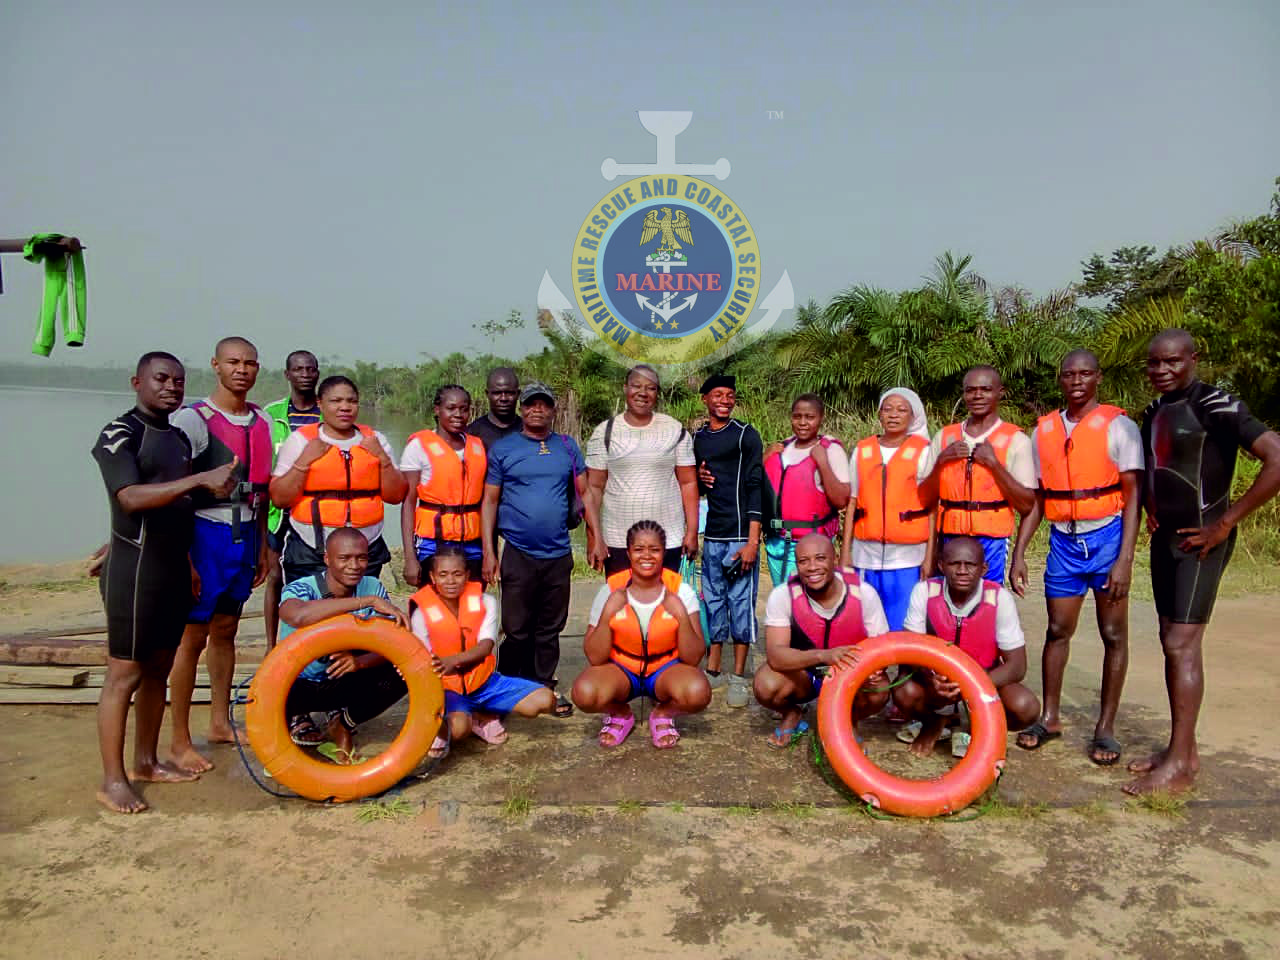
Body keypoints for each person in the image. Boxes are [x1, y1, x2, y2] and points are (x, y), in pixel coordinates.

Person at [1126, 329, 1280, 795]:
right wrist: (1151, 507)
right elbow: (1155, 467)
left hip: (1203, 542)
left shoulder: (1217, 405)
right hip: (1166, 541)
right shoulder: (1154, 411)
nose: (1161, 370)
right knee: (1169, 640)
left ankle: (1180, 766)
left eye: (1171, 361)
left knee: (1181, 644)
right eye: (1154, 363)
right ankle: (1182, 751)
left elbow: (1276, 458)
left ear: (1193, 358)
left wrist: (1225, 523)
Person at [90, 352, 238, 813]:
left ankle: (146, 762)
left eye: (178, 380)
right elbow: (130, 498)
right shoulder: (120, 434)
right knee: (124, 674)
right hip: (135, 571)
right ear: (137, 382)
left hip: (174, 568)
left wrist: (190, 563)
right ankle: (113, 779)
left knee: (158, 669)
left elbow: (178, 508)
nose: (171, 387)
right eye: (161, 379)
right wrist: (199, 480)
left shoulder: (177, 438)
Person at [1009, 349, 1143, 765]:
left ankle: (1105, 728)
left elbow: (1133, 496)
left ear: (1098, 377)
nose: (1077, 381)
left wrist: (1124, 559)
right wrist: (1019, 553)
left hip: (1107, 538)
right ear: (1060, 379)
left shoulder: (1119, 427)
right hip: (1064, 544)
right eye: (1069, 374)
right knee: (1057, 630)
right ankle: (1049, 718)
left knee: (1113, 634)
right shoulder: (1043, 431)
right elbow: (1036, 499)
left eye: (1085, 374)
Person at [166, 336, 272, 773]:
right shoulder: (193, 420)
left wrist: (263, 547)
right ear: (216, 365)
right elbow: (173, 490)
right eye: (233, 362)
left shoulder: (262, 421)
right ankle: (179, 740)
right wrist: (185, 556)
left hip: (244, 534)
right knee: (191, 637)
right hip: (203, 533)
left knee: (226, 629)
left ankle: (219, 723)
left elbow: (262, 494)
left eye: (249, 363)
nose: (241, 370)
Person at [480, 381, 592, 718]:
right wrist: (489, 552)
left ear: (553, 410)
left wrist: (596, 537)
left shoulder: (567, 447)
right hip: (518, 551)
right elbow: (490, 501)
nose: (537, 410)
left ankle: (544, 685)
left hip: (558, 552)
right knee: (516, 628)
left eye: (544, 404)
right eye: (531, 404)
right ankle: (507, 688)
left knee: (549, 628)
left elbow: (586, 494)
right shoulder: (504, 449)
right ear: (522, 408)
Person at [894, 537, 1039, 757]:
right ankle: (934, 722)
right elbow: (909, 649)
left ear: (984, 569)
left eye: (970, 565)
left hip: (983, 677)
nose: (962, 571)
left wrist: (971, 684)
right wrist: (930, 677)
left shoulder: (999, 598)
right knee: (903, 690)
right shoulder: (924, 591)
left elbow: (1017, 666)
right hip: (937, 679)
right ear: (941, 565)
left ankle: (975, 727)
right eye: (954, 564)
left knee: (1025, 706)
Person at [409, 546, 557, 759]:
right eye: (443, 574)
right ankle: (443, 726)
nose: (450, 581)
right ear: (432, 577)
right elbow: (422, 659)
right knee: (459, 730)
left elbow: (486, 645)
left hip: (484, 683)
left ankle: (481, 714)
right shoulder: (421, 613)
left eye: (457, 574)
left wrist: (452, 661)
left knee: (545, 700)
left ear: (467, 575)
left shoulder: (486, 602)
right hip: (447, 689)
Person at [572, 520, 710, 748]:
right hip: (622, 669)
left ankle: (663, 714)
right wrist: (606, 615)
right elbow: (595, 658)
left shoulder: (681, 591)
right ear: (628, 553)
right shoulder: (610, 590)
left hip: (664, 669)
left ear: (664, 553)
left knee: (698, 692)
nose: (646, 556)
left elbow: (693, 658)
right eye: (638, 549)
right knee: (584, 693)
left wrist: (682, 616)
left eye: (654, 549)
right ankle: (620, 713)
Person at [278, 528, 410, 761]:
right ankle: (295, 721)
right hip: (297, 687)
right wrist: (364, 602)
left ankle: (343, 723)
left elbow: (394, 642)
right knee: (274, 692)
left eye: (361, 558)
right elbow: (297, 615)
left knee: (404, 669)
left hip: (341, 680)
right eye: (344, 558)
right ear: (327, 559)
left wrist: (359, 663)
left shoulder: (372, 586)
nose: (354, 566)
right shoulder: (302, 587)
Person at [753, 533, 891, 748]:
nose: (812, 567)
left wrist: (873, 670)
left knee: (880, 689)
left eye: (820, 558)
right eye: (803, 561)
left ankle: (849, 721)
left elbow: (882, 650)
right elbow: (776, 656)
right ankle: (792, 714)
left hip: (849, 674)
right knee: (765, 684)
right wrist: (824, 655)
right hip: (804, 675)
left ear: (835, 559)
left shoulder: (864, 594)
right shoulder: (782, 595)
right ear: (797, 565)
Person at [269, 375, 407, 583]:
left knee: (362, 604)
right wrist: (303, 461)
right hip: (311, 549)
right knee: (309, 603)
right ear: (320, 404)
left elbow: (395, 496)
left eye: (351, 401)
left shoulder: (376, 440)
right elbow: (279, 498)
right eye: (336, 401)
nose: (345, 407)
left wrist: (382, 458)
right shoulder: (300, 441)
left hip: (365, 550)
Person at [918, 366, 1035, 584]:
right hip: (949, 539)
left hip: (991, 541)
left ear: (1000, 392)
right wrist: (941, 462)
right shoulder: (944, 437)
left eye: (985, 389)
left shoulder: (1017, 441)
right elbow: (924, 499)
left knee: (988, 600)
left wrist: (994, 465)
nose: (977, 395)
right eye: (970, 390)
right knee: (946, 601)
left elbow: (1027, 504)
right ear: (963, 394)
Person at [584, 364, 699, 576]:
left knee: (666, 597)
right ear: (625, 388)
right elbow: (593, 489)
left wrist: (692, 532)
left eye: (651, 388)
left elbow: (688, 483)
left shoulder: (674, 430)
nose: (643, 393)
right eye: (636, 386)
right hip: (618, 539)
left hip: (668, 538)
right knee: (621, 597)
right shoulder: (605, 432)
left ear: (657, 393)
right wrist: (594, 538)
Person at [692, 373, 763, 708]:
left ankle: (738, 677)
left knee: (741, 604)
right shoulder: (698, 438)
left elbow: (754, 485)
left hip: (739, 536)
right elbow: (694, 482)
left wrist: (752, 542)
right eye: (718, 395)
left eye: (730, 395)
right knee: (714, 601)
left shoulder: (745, 435)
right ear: (705, 399)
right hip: (713, 535)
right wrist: (699, 477)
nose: (724, 400)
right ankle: (713, 668)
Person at [841, 387, 935, 631]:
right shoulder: (862, 450)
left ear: (913, 417)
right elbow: (852, 503)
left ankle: (903, 659)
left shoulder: (924, 452)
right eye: (888, 409)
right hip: (865, 555)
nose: (894, 414)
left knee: (902, 625)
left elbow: (932, 508)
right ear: (879, 414)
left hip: (908, 558)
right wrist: (845, 553)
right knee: (865, 625)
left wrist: (929, 557)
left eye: (902, 410)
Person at [263, 350, 321, 648]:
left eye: (311, 369)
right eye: (298, 369)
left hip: (315, 508)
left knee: (315, 576)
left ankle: (311, 645)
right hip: (278, 508)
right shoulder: (271, 414)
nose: (305, 375)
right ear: (287, 374)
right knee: (274, 576)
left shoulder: (328, 412)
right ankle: (272, 646)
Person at [761, 393, 851, 588]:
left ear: (821, 418)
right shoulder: (781, 447)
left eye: (810, 417)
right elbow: (755, 485)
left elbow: (841, 501)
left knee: (807, 601)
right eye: (797, 416)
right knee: (783, 599)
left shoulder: (831, 450)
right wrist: (764, 458)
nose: (802, 422)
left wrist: (823, 463)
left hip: (812, 546)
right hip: (776, 543)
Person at [400, 385, 487, 585]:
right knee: (433, 601)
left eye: (464, 409)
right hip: (433, 543)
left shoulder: (477, 446)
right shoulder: (418, 446)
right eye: (451, 408)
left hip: (473, 543)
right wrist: (410, 558)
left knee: (472, 600)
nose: (458, 414)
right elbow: (408, 503)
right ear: (437, 409)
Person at [467, 367, 522, 451]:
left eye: (509, 393)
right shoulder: (472, 433)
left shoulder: (529, 430)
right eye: (497, 393)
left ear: (518, 394)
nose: (503, 398)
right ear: (487, 394)